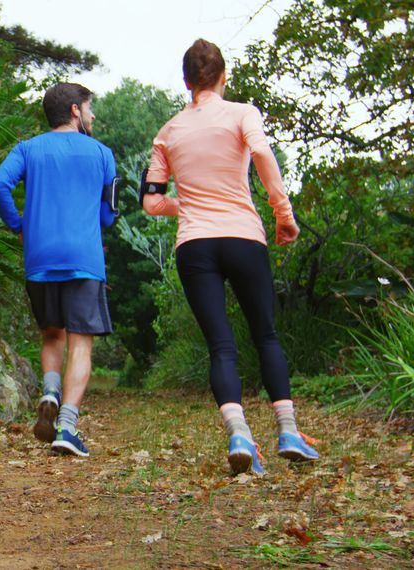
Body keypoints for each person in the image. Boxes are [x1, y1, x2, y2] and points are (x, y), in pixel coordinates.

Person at [142, 39, 320, 475]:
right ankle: (287, 431)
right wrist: (283, 213)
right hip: (243, 236)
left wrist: (192, 205)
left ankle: (239, 434)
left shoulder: (167, 132)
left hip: (195, 246)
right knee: (266, 336)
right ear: (224, 77)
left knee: (221, 346)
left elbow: (151, 201)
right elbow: (261, 153)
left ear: (186, 82)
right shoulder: (243, 113)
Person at [0, 83, 117, 456]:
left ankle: (49, 391)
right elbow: (108, 214)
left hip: (40, 258)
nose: (93, 116)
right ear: (75, 111)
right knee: (80, 342)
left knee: (51, 334)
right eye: (90, 109)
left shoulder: (28, 148)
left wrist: (19, 224)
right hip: (84, 258)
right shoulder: (102, 154)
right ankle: (67, 426)